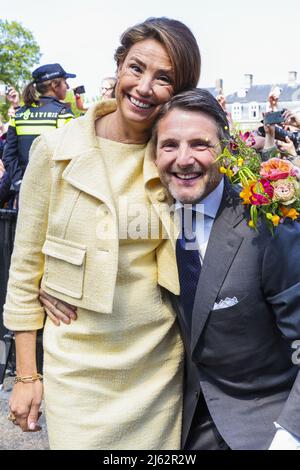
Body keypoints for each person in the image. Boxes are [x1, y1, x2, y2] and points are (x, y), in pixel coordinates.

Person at [4, 17, 201, 450]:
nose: (144, 87)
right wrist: (26, 376)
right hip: (76, 369)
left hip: (156, 369)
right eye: (136, 68)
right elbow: (24, 270)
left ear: (180, 89)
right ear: (118, 66)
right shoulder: (54, 151)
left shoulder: (181, 160)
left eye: (164, 78)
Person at [153, 88, 300, 450]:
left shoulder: (267, 225)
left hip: (264, 423)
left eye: (200, 145)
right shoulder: (148, 221)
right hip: (178, 425)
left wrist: (290, 434)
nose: (183, 159)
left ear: (227, 150)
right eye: (169, 145)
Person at [2, 64, 75, 194]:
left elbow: (8, 156)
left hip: (25, 192)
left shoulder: (19, 115)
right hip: (54, 193)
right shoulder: (63, 113)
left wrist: (20, 183)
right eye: (65, 82)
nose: (68, 87)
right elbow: (73, 157)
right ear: (54, 85)